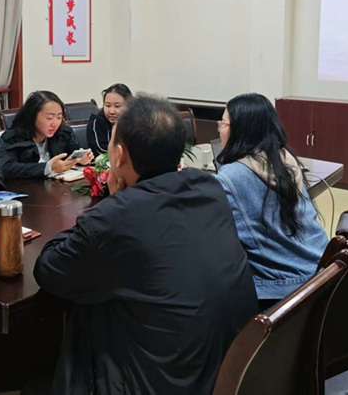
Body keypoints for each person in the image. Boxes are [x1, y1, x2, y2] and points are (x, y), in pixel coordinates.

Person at [34, 95, 257, 394]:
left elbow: (49, 269)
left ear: (119, 155)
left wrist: (112, 203)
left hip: (162, 381)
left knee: (83, 309)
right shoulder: (208, 187)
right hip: (225, 367)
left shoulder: (117, 216)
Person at [214, 93, 329, 309]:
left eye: (223, 123)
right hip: (322, 268)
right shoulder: (284, 159)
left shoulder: (232, 175)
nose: (219, 129)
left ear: (240, 130)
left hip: (283, 288)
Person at [0, 90, 93, 179]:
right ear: (32, 116)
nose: (55, 124)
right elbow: (7, 168)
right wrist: (48, 168)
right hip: (27, 188)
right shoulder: (12, 138)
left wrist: (81, 159)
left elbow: (75, 149)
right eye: (49, 118)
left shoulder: (62, 133)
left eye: (59, 117)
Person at [86, 83, 132, 156]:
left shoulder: (135, 121)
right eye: (107, 105)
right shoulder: (96, 122)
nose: (111, 111)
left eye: (117, 106)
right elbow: (100, 151)